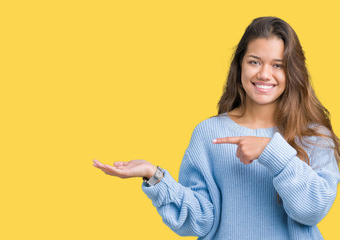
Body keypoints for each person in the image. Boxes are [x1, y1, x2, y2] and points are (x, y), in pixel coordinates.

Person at [93, 16, 340, 239]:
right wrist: (154, 175)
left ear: (293, 71)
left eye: (278, 65)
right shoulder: (209, 133)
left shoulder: (314, 137)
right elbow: (199, 222)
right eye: (255, 62)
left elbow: (311, 211)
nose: (265, 74)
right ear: (240, 65)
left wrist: (271, 152)